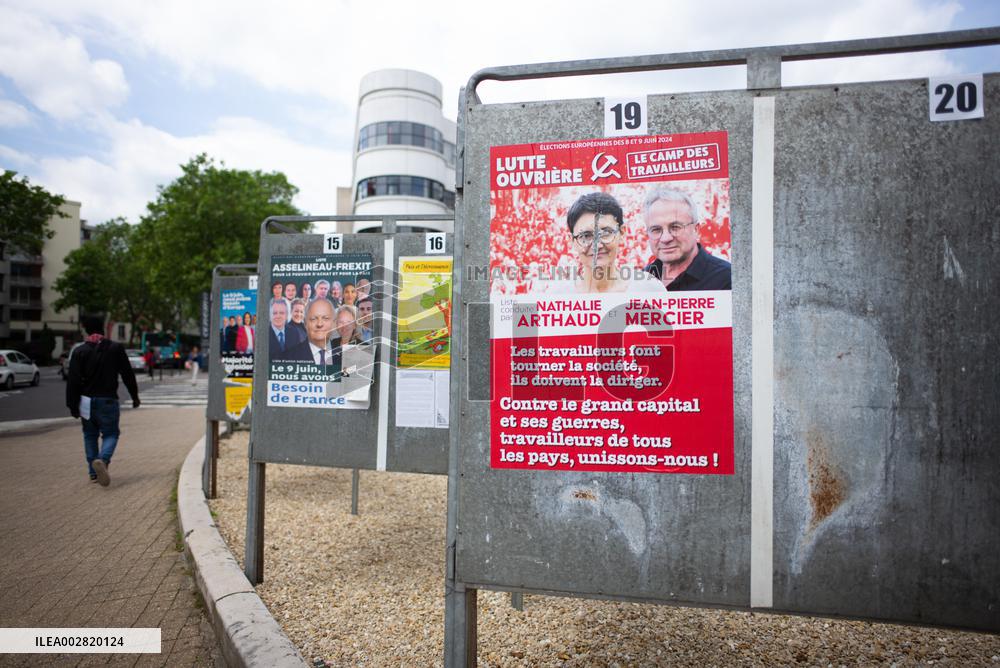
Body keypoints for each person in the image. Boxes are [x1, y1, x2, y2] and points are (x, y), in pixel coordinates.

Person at [534, 192, 664, 294]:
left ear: (622, 233)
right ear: (572, 241)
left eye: (606, 233)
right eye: (586, 236)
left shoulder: (649, 289)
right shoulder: (558, 296)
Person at [66, 316, 141, 486]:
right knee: (111, 433)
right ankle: (103, 460)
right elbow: (127, 374)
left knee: (90, 435)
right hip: (108, 399)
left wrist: (72, 405)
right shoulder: (115, 348)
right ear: (102, 328)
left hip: (86, 402)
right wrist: (134, 396)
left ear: (86, 330)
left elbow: (74, 381)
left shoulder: (79, 352)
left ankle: (93, 472)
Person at [642, 187, 731, 291]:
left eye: (675, 227)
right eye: (656, 229)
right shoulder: (642, 280)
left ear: (696, 229)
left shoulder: (727, 279)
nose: (666, 238)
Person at [283, 298, 342, 368]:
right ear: (305, 323)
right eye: (313, 319)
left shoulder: (347, 356)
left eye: (325, 318)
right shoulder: (288, 358)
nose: (319, 324)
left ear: (334, 323)